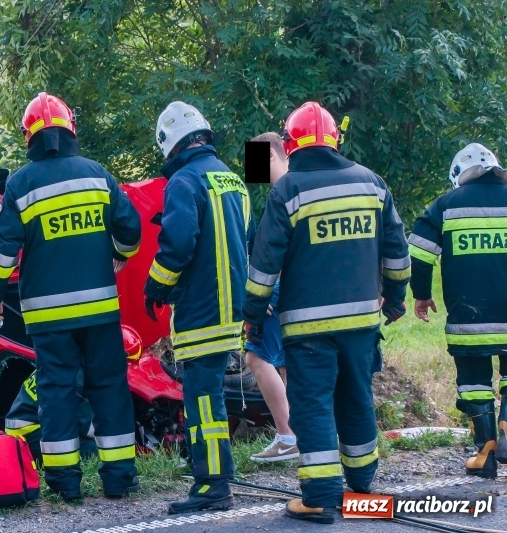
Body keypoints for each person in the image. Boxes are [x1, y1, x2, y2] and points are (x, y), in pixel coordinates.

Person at [242, 102, 410, 524]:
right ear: (335, 139)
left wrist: (253, 311)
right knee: (356, 398)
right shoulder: (372, 183)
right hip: (361, 324)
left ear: (291, 144)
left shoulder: (287, 191)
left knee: (312, 403)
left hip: (308, 327)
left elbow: (264, 265)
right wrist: (394, 299)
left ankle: (319, 495)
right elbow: (398, 252)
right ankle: (362, 482)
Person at [0, 92, 142, 501]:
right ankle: (119, 477)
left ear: (29, 136)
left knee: (55, 391)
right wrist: (118, 256)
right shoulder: (97, 174)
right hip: (100, 311)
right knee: (108, 386)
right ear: (71, 128)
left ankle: (66, 483)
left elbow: (4, 250)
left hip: (47, 317)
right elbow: (131, 231)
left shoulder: (19, 183)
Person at [144, 101, 253, 514]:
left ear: (170, 145)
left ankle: (212, 485)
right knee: (210, 396)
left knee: (202, 399)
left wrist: (155, 287)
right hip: (233, 309)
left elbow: (177, 245)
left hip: (201, 310)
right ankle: (217, 475)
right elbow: (251, 238)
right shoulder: (234, 181)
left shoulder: (185, 183)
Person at [408, 142, 507, 478]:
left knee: (474, 381)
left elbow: (418, 255)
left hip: (470, 319)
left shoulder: (446, 205)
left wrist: (421, 295)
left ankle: (486, 454)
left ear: (458, 175)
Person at [245, 132, 298, 463]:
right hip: (298, 290)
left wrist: (257, 296)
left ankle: (287, 435)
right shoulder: (299, 187)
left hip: (276, 289)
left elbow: (269, 255)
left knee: (256, 359)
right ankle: (298, 433)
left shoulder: (282, 193)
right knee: (285, 364)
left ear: (270, 156)